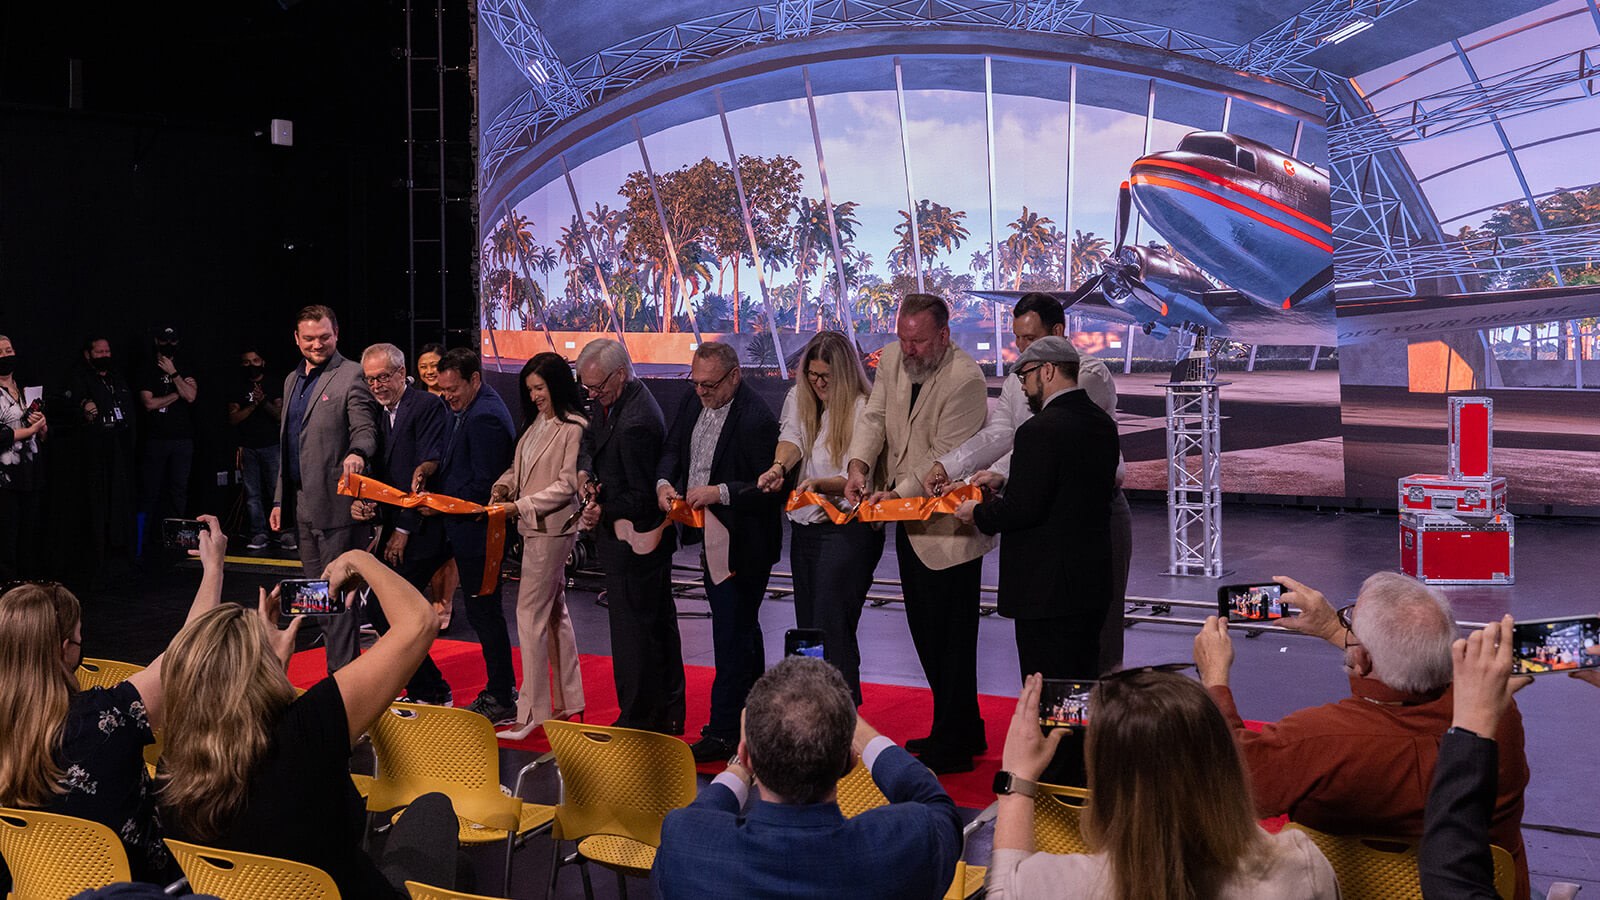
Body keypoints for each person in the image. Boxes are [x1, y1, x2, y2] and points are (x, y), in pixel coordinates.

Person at [1192, 572, 1532, 899]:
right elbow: (1418, 665)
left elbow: (1229, 777)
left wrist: (1215, 678)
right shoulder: (1498, 717)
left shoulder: (1316, 741)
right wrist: (1333, 630)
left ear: (1363, 658)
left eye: (1350, 624)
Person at [158, 550, 462, 898]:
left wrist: (270, 667)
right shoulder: (306, 732)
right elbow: (419, 622)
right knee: (434, 808)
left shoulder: (172, 769)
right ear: (256, 670)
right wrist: (360, 560)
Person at [0, 515, 228, 882]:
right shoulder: (105, 718)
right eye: (78, 638)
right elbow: (186, 658)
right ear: (64, 651)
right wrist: (213, 568)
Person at [986, 672, 1338, 899]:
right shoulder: (1299, 867)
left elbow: (1001, 889)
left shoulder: (1050, 885)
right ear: (1224, 766)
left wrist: (1017, 780)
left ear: (1105, 780)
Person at [925, 293, 1132, 674]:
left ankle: (1091, 730)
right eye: (1017, 339)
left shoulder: (1088, 374)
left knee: (1091, 653)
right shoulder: (1032, 385)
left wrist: (985, 502)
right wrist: (949, 465)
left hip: (1088, 521)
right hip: (1057, 531)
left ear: (1056, 336)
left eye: (1029, 340)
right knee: (1078, 661)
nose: (1020, 350)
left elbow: (1041, 444)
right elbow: (1003, 433)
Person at [653, 657, 963, 900]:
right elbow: (934, 802)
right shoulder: (906, 842)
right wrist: (858, 729)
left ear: (748, 756)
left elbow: (701, 814)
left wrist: (741, 766)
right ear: (850, 760)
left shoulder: (685, 842)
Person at [842, 294, 992, 773]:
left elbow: (941, 459)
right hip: (908, 520)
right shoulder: (891, 358)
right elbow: (873, 417)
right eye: (903, 338)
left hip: (949, 529)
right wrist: (859, 464)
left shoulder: (965, 379)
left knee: (952, 638)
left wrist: (892, 497)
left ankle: (956, 742)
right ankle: (960, 728)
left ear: (944, 336)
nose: (908, 349)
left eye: (919, 341)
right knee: (927, 635)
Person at [954, 336, 1120, 681]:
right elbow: (1066, 489)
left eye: (1024, 376)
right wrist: (1005, 481)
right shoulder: (1102, 424)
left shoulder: (1037, 430)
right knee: (1081, 688)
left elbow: (1023, 510)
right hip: (1091, 584)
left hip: (1046, 592)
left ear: (1047, 371)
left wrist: (977, 512)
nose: (1024, 387)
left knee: (1045, 692)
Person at [656, 342, 783, 762]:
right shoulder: (696, 401)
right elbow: (674, 447)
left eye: (709, 385)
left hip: (744, 542)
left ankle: (725, 731)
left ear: (734, 376)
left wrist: (720, 492)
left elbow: (767, 490)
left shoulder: (757, 417)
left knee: (730, 635)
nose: (701, 393)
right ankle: (757, 722)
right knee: (742, 631)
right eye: (695, 384)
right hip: (709, 537)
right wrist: (663, 483)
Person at [757, 330, 884, 704]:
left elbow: (855, 478)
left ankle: (843, 716)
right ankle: (813, 709)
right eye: (812, 375)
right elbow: (792, 436)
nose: (818, 383)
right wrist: (780, 468)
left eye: (825, 376)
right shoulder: (801, 396)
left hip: (847, 532)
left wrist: (819, 485)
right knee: (809, 627)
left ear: (844, 374)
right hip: (806, 528)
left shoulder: (864, 407)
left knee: (833, 625)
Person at [574, 338, 685, 735]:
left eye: (597, 387)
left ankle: (641, 718)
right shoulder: (609, 400)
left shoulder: (638, 419)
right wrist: (586, 478)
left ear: (620, 374)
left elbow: (644, 496)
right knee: (640, 627)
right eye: (586, 388)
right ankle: (655, 714)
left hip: (639, 539)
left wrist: (602, 508)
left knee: (637, 632)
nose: (591, 395)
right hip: (618, 535)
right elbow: (589, 442)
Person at [270, 305, 380, 673]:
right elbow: (288, 446)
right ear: (296, 339)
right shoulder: (291, 380)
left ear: (337, 334)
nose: (317, 344)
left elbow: (365, 429)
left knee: (339, 600)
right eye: (309, 338)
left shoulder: (352, 376)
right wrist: (279, 500)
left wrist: (357, 453)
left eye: (324, 337)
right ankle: (339, 683)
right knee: (318, 602)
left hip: (337, 506)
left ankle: (346, 685)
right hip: (300, 504)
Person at [410, 349, 518, 723]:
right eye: (442, 389)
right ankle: (500, 692)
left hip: (477, 533)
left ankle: (502, 696)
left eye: (453, 389)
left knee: (485, 614)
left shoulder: (485, 416)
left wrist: (438, 503)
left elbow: (484, 487)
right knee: (481, 612)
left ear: (474, 379)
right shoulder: (466, 409)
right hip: (456, 529)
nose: (447, 396)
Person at [488, 352, 588, 739]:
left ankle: (532, 713)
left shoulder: (573, 426)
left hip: (553, 529)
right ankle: (568, 702)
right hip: (534, 527)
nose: (533, 396)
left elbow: (566, 485)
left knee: (528, 615)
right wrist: (503, 486)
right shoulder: (536, 426)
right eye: (529, 389)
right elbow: (520, 469)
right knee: (552, 613)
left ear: (557, 385)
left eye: (540, 388)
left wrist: (519, 505)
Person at [351, 343, 453, 706]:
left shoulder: (426, 406)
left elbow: (424, 473)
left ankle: (433, 690)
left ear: (401, 373)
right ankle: (427, 688)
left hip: (423, 529)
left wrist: (403, 530)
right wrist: (367, 507)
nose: (376, 385)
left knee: (385, 609)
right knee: (384, 610)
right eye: (370, 379)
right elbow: (384, 475)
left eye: (382, 377)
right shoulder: (379, 414)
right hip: (393, 523)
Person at [55, 336, 137, 575]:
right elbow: (68, 407)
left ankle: (122, 552)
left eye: (107, 351)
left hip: (120, 452)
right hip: (93, 456)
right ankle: (97, 557)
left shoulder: (116, 377)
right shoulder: (79, 378)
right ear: (88, 354)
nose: (104, 355)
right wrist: (84, 408)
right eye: (99, 352)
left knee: (121, 502)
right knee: (96, 505)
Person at [137, 327, 198, 555]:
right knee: (149, 491)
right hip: (155, 439)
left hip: (182, 439)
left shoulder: (184, 366)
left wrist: (174, 374)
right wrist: (177, 393)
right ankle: (143, 544)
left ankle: (176, 543)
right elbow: (149, 404)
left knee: (178, 491)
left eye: (173, 340)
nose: (169, 344)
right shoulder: (146, 368)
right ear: (156, 341)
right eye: (165, 340)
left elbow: (192, 396)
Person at [415, 342, 458, 624]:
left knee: (448, 546)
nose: (429, 371)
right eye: (423, 366)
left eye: (434, 365)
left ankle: (446, 604)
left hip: (450, 478)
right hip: (425, 478)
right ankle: (432, 600)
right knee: (428, 543)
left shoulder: (455, 400)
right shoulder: (416, 400)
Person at [0, 335, 47, 581]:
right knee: (7, 538)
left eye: (9, 350)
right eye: (1, 352)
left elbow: (40, 435)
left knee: (28, 538)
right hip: (5, 479)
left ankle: (27, 589)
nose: (7, 355)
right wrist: (27, 431)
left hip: (31, 475)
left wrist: (41, 426)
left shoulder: (24, 388)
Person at [228, 349, 285, 551]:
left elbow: (279, 415)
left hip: (271, 445)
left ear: (263, 361)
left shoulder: (274, 383)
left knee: (276, 490)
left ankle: (282, 532)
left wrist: (263, 403)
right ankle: (259, 533)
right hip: (248, 447)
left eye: (255, 360)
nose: (251, 365)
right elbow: (233, 418)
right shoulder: (237, 387)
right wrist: (253, 405)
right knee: (253, 494)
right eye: (246, 362)